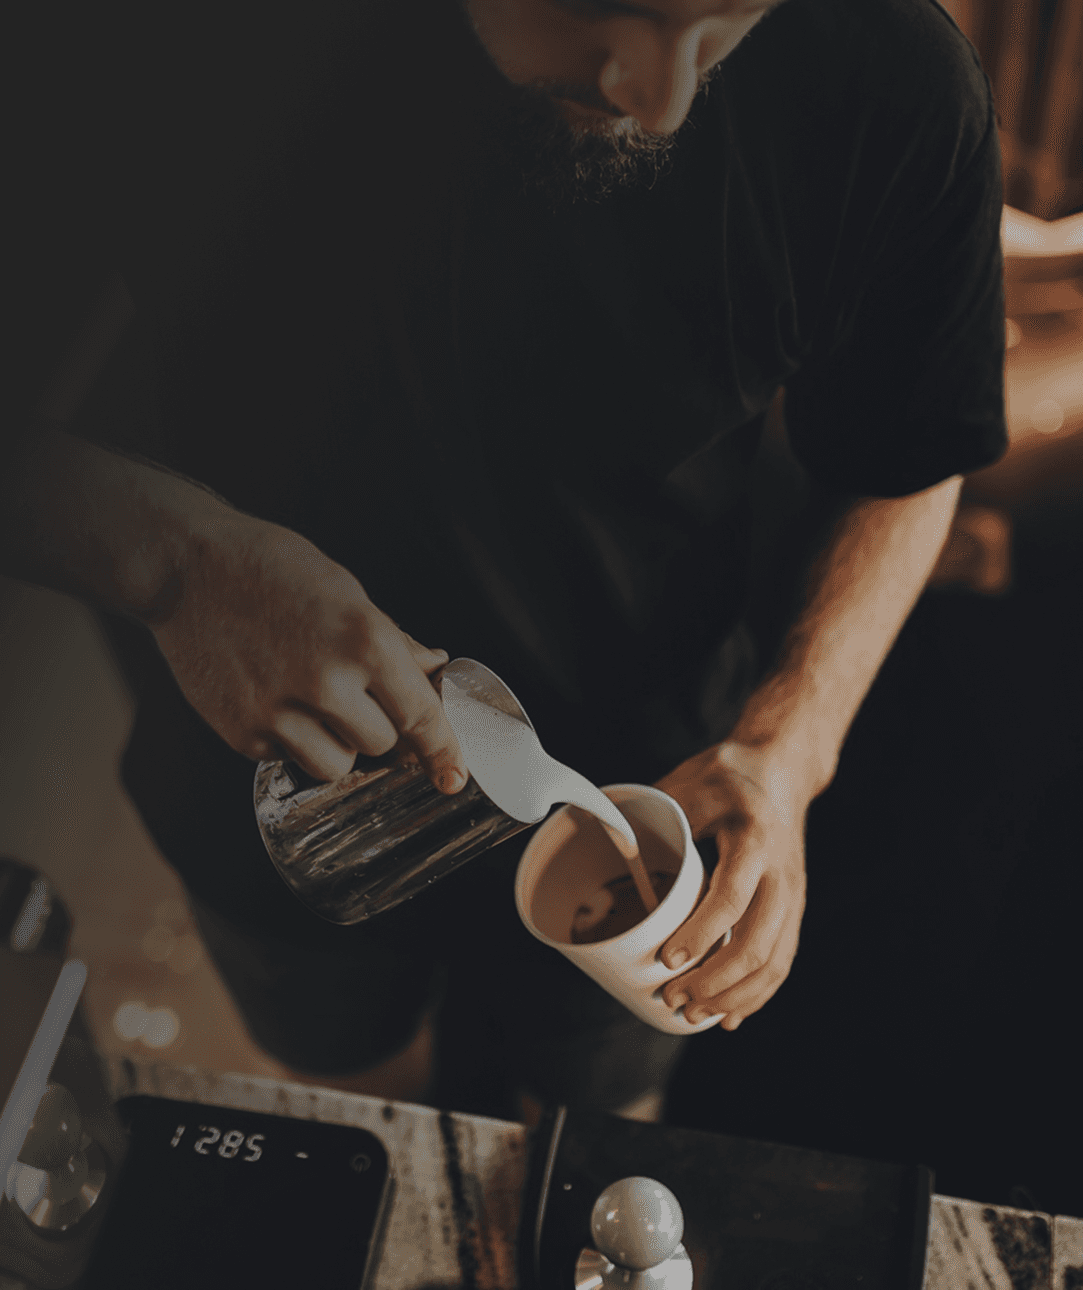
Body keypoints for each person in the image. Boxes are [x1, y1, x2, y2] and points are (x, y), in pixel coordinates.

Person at [4, 0, 1007, 1118]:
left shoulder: (889, 76)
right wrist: (170, 563)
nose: (663, 100)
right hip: (290, 802)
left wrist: (792, 745)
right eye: (608, 6)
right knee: (368, 1121)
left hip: (653, 786)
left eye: (724, 22)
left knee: (588, 1132)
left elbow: (907, 457)